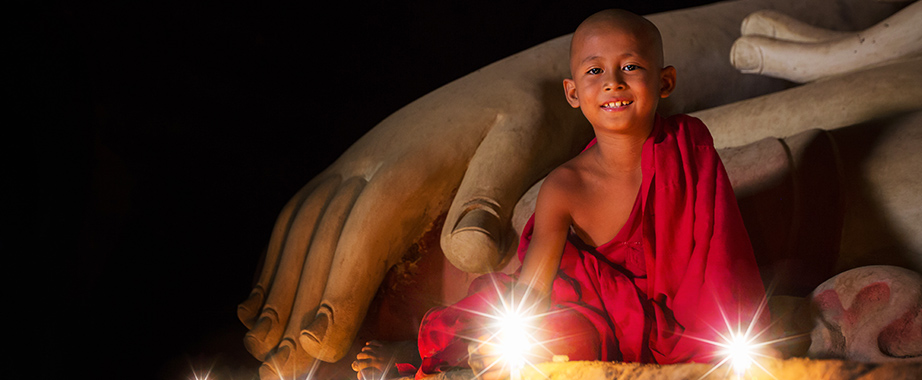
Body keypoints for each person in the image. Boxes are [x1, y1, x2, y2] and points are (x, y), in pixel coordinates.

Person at [353, 9, 770, 380]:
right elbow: (533, 292)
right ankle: (419, 353)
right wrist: (507, 345)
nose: (613, 83)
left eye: (630, 66)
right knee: (548, 333)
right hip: (600, 313)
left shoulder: (689, 146)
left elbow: (721, 261)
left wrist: (724, 347)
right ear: (572, 93)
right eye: (594, 72)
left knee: (730, 348)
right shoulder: (565, 186)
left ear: (665, 81)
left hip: (682, 324)